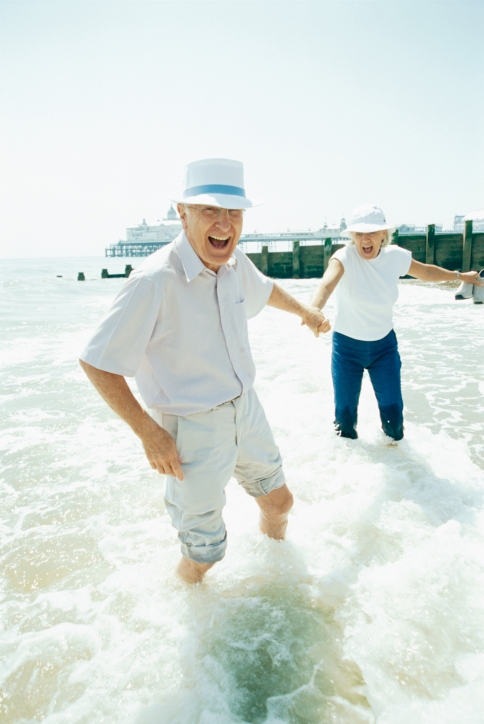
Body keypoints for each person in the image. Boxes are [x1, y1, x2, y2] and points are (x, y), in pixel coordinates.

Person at [80, 158, 330, 584]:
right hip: (190, 430)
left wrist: (305, 310)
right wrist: (148, 432)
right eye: (209, 211)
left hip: (245, 410)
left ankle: (281, 579)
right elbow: (97, 362)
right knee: (206, 552)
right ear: (182, 213)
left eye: (233, 213)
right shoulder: (153, 280)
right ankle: (181, 612)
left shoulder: (234, 264)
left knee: (280, 504)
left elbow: (265, 288)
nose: (224, 223)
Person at [310, 203, 483, 442]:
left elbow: (427, 272)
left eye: (371, 232)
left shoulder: (395, 256)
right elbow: (326, 284)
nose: (365, 239)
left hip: (384, 349)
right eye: (359, 233)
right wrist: (314, 310)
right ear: (352, 236)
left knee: (394, 422)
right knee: (344, 422)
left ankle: (399, 467)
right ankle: (348, 471)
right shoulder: (344, 257)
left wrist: (461, 277)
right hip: (347, 350)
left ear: (384, 234)